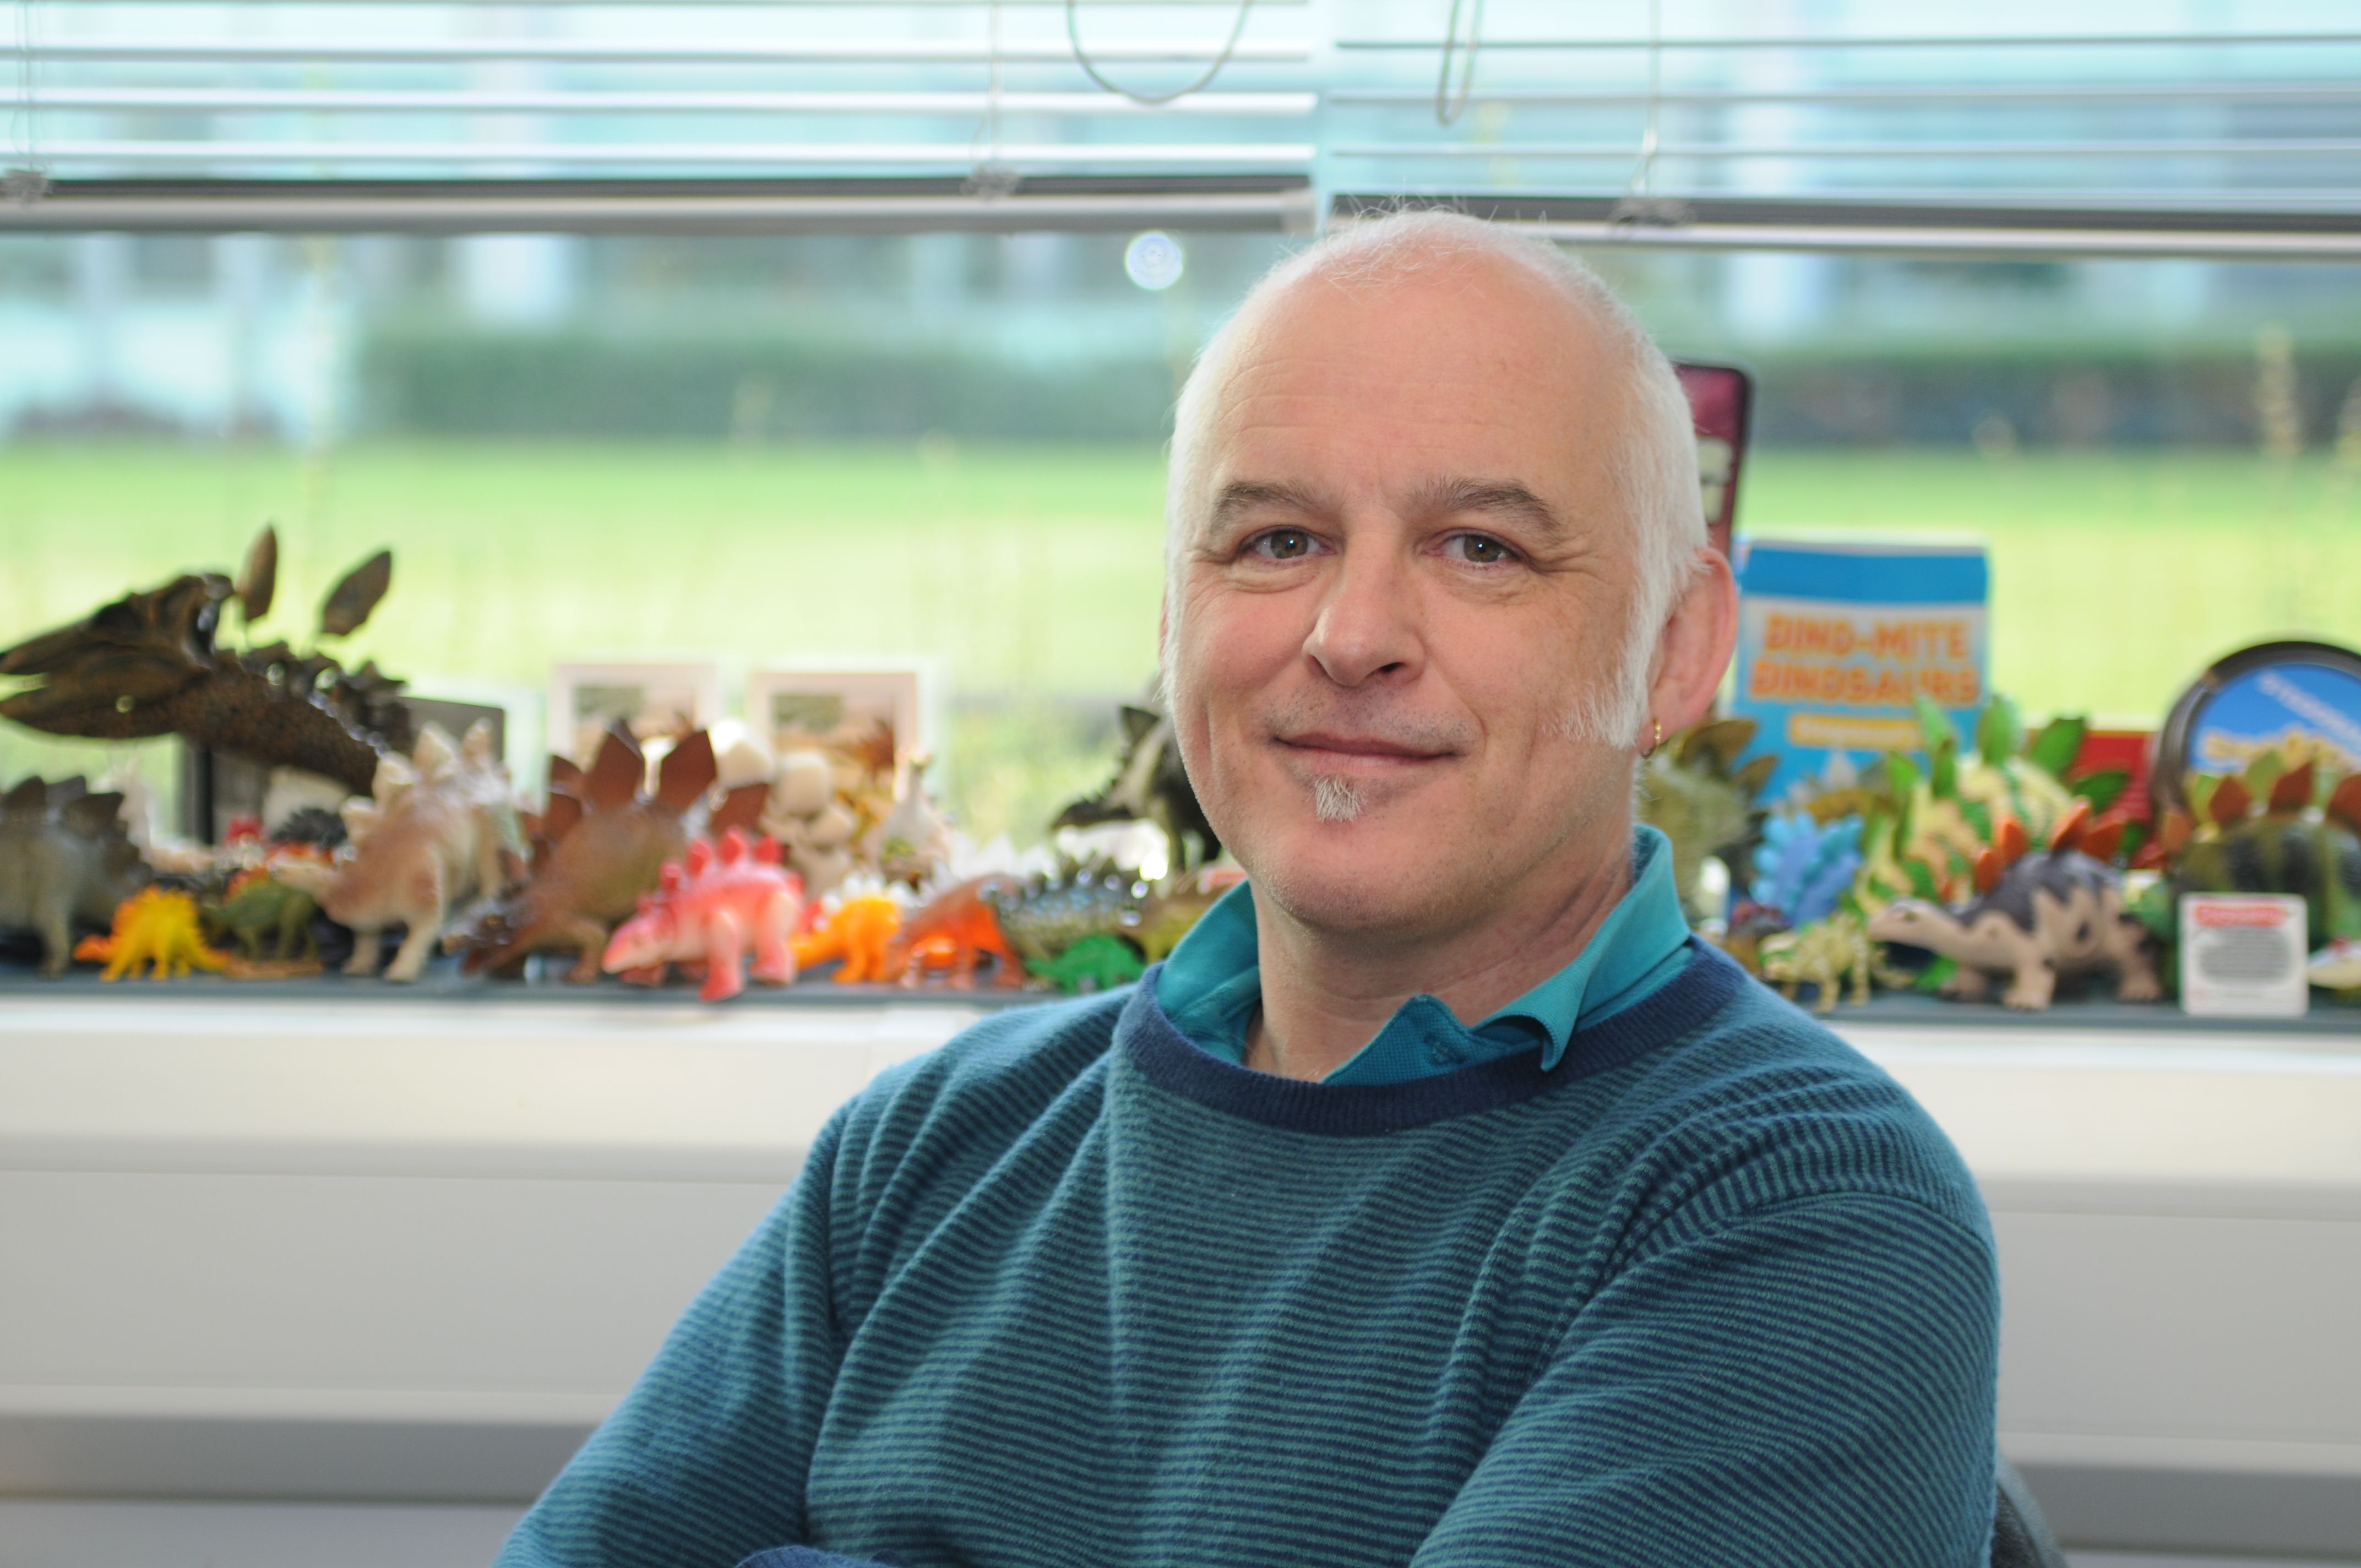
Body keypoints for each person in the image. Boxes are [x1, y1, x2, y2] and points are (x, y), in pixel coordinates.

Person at [496, 210, 1999, 1568]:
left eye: (1481, 549)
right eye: (1278, 540)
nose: (1352, 635)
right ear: (1173, 619)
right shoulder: (925, 1153)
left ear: (1674, 651)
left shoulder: (1808, 1213)